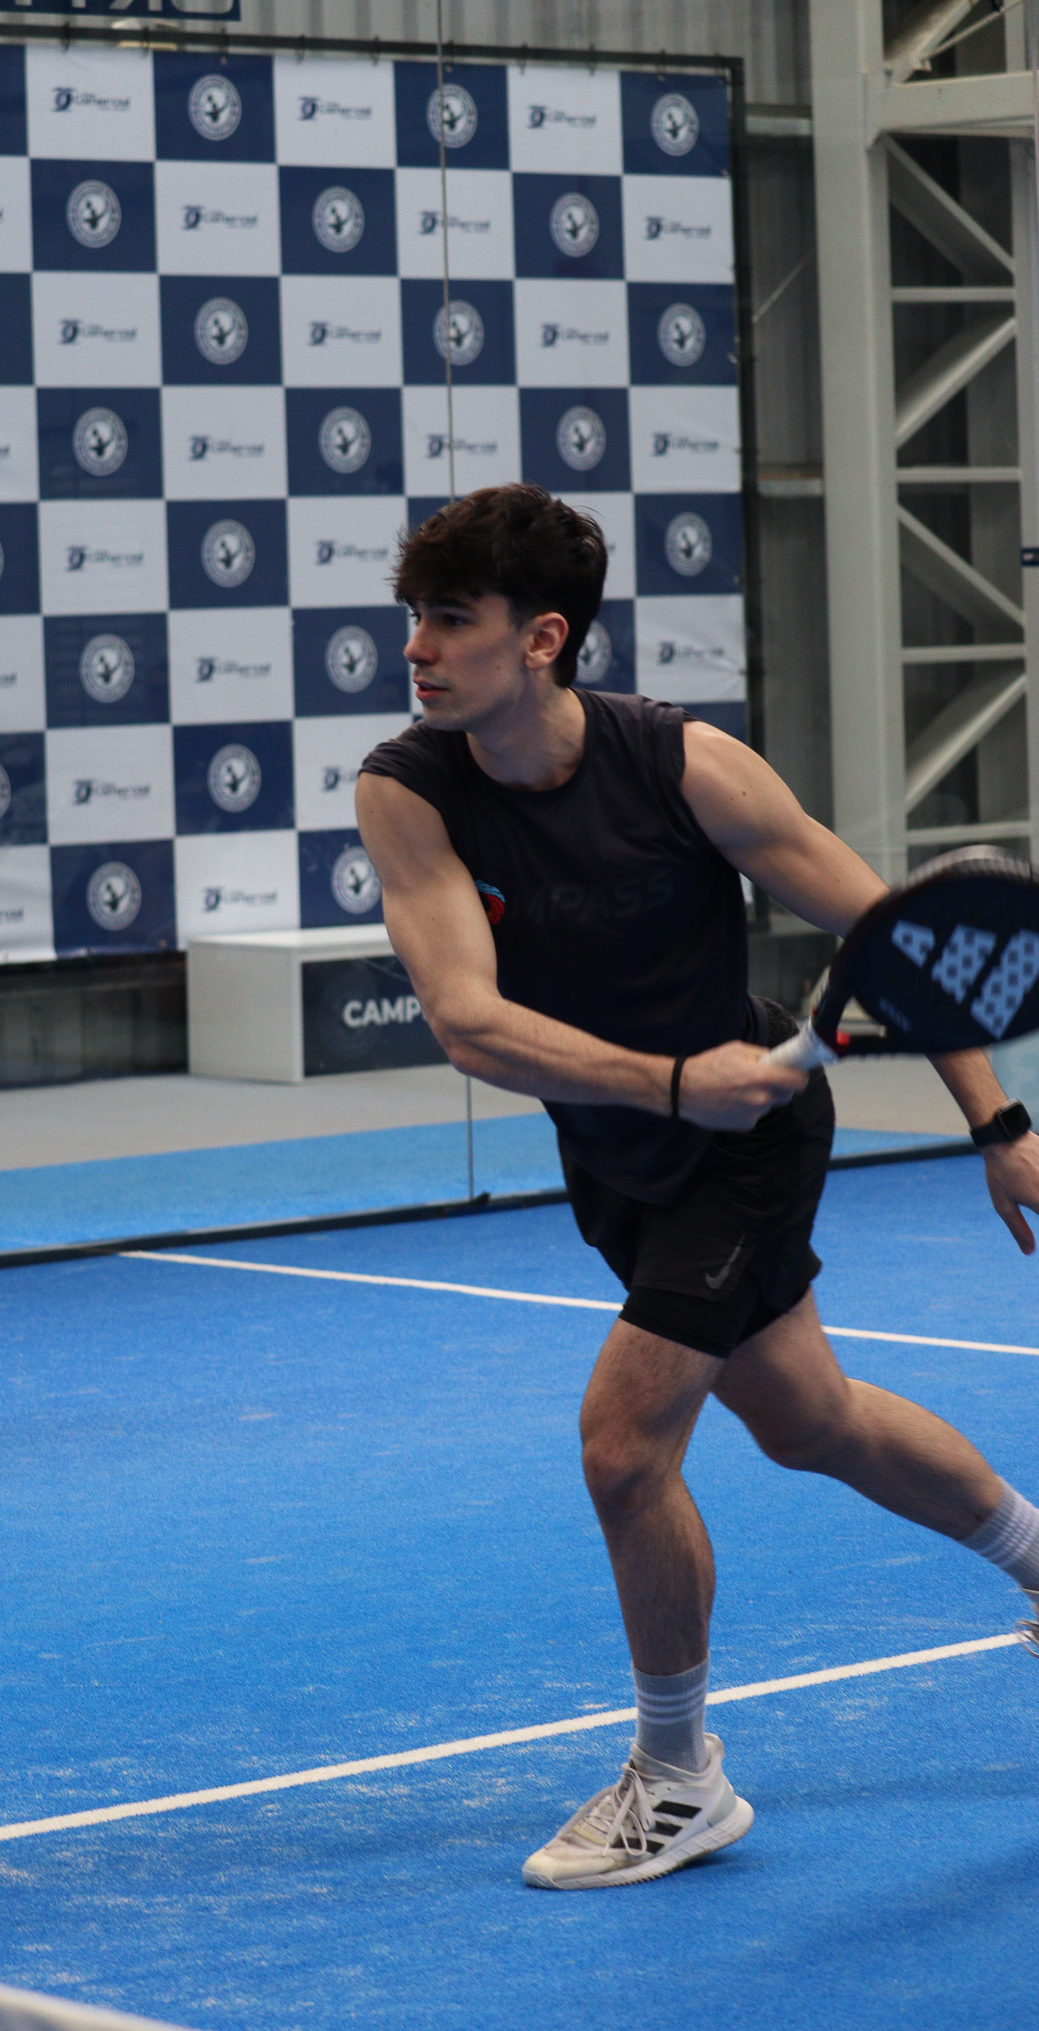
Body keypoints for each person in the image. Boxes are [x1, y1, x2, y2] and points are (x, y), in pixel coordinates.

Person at [356, 483, 1039, 1890]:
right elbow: (470, 1024)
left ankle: (678, 1779)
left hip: (748, 1146)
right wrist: (670, 1083)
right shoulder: (408, 789)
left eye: (451, 619)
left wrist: (999, 1120)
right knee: (810, 1420)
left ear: (542, 637)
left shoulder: (684, 767)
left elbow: (898, 934)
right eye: (414, 617)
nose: (416, 647)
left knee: (623, 1448)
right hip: (627, 1151)